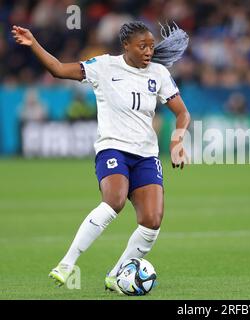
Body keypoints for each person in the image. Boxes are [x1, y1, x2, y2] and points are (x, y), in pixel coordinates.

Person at [12, 22, 191, 293]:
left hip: (146, 155)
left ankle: (117, 273)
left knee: (152, 221)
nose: (148, 52)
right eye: (142, 46)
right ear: (126, 46)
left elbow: (182, 113)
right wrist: (34, 43)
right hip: (113, 149)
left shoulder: (159, 73)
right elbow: (58, 69)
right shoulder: (104, 66)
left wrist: (178, 139)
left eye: (151, 46)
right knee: (114, 202)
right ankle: (66, 264)